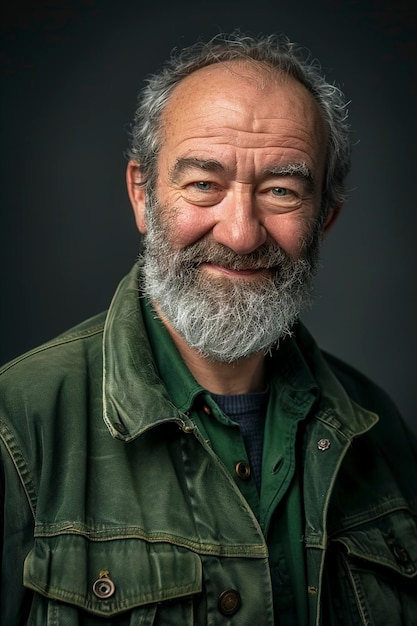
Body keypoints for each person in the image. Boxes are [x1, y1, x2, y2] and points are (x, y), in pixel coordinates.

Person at [1, 30, 416, 626]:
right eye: (204, 185)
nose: (241, 234)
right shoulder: (15, 428)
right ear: (143, 195)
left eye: (281, 191)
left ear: (325, 218)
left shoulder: (380, 431)